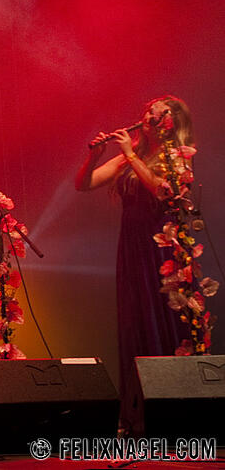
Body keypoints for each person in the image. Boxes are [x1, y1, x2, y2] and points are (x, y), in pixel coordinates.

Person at [75, 95, 193, 431]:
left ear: (171, 122)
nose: (152, 113)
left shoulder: (175, 158)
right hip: (132, 249)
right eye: (150, 108)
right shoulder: (132, 158)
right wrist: (95, 155)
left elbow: (163, 192)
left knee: (163, 320)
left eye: (162, 111)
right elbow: (84, 184)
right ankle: (139, 415)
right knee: (135, 320)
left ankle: (176, 411)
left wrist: (128, 153)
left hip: (162, 249)